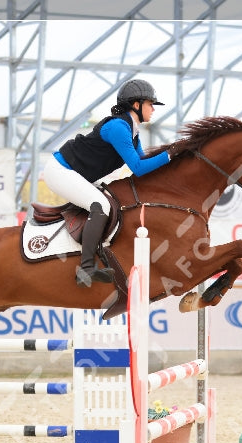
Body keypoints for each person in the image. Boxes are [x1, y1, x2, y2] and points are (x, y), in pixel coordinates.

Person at [44, 78, 175, 287]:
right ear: (136, 105)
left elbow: (142, 162)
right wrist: (170, 155)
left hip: (74, 173)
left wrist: (171, 160)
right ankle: (86, 268)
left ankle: (98, 257)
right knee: (101, 206)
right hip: (60, 171)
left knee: (112, 203)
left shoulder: (133, 134)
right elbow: (139, 169)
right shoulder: (118, 128)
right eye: (150, 104)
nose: (153, 109)